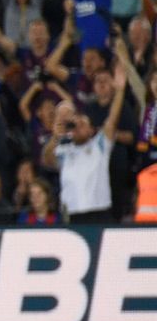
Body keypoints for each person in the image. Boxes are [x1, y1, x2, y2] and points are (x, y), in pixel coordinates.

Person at [43, 69, 127, 224]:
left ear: (91, 130)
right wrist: (55, 137)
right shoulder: (64, 151)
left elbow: (111, 120)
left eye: (83, 124)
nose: (78, 127)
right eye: (75, 125)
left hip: (99, 213)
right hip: (71, 215)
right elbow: (47, 160)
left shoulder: (100, 146)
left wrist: (120, 91)